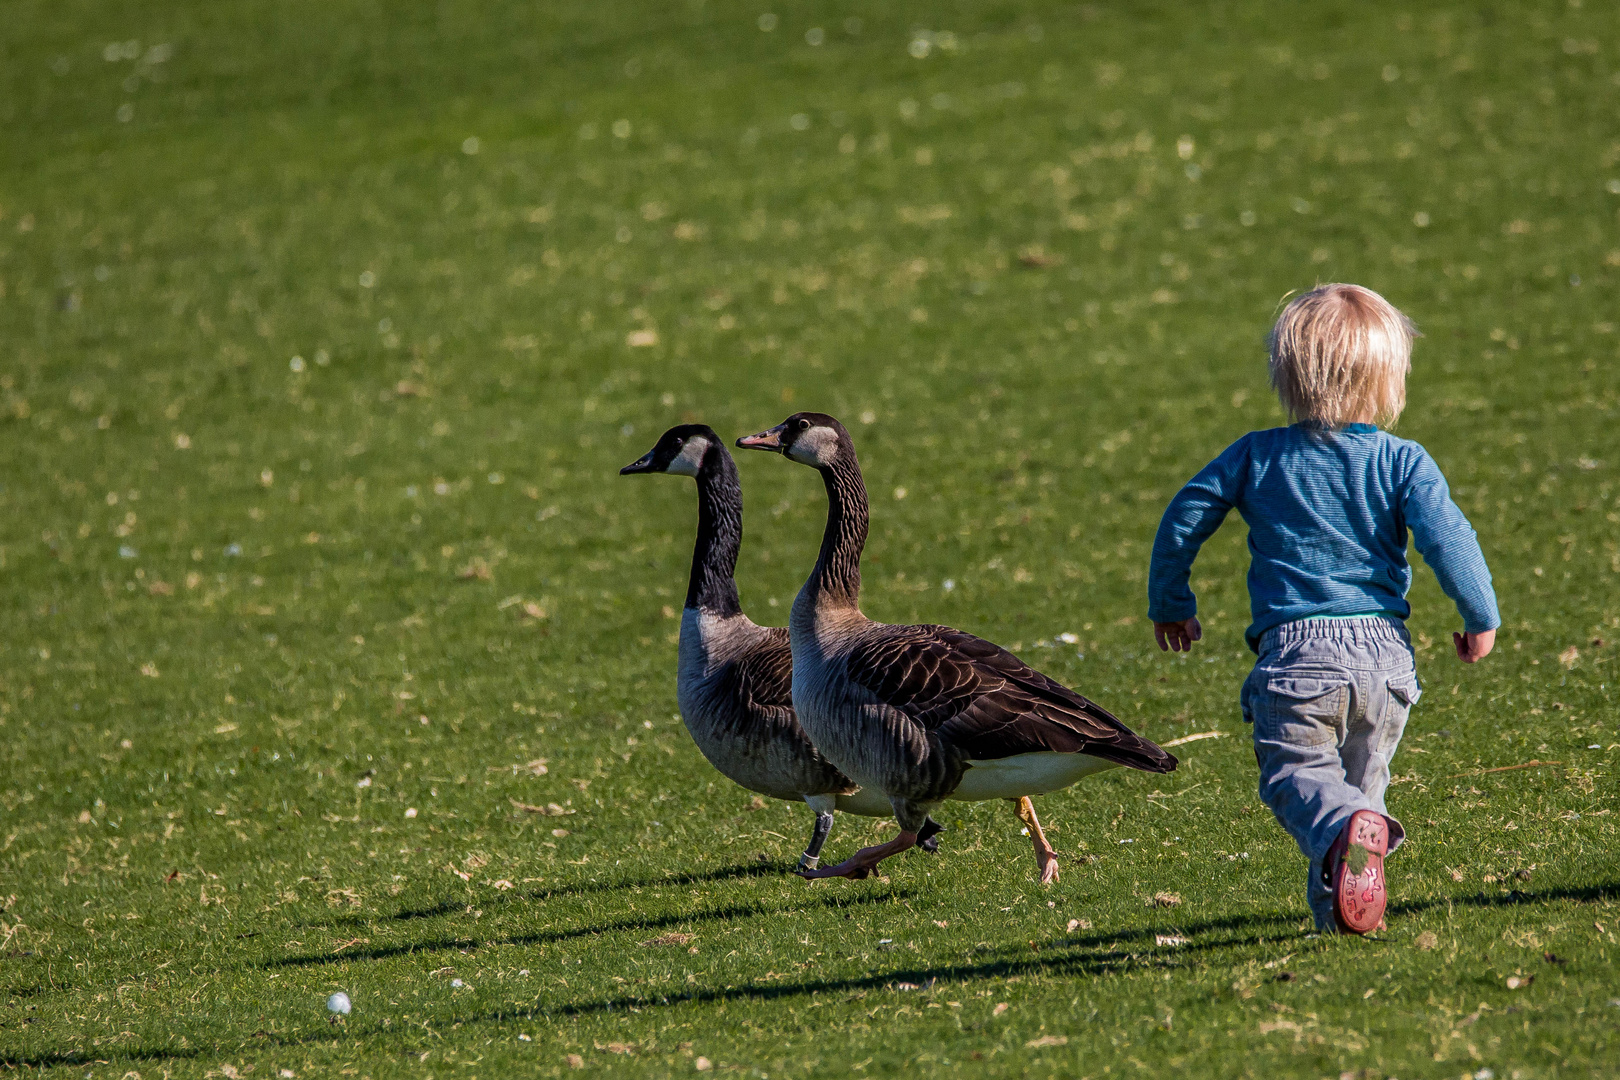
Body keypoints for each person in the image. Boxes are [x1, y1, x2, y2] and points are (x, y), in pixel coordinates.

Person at [1146, 283, 1499, 934]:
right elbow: (1450, 537)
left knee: (1298, 778)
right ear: (1388, 378)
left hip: (1300, 657)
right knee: (1359, 793)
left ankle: (1344, 840)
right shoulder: (1403, 461)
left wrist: (1171, 601)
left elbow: (1184, 517)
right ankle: (1337, 923)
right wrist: (1481, 615)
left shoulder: (1256, 455)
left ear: (1287, 374)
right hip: (1385, 660)